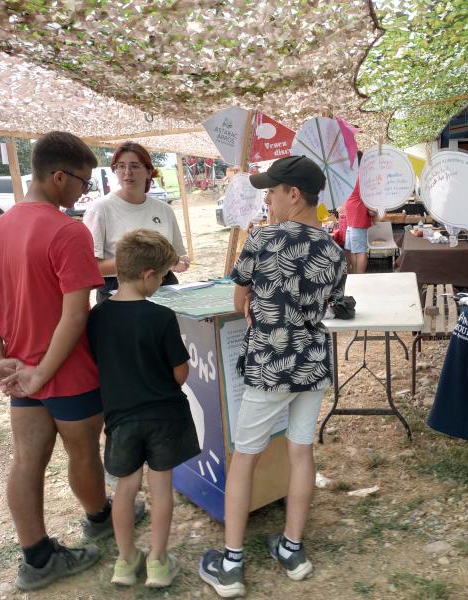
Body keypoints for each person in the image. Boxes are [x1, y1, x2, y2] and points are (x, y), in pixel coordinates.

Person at [0, 131, 142, 592]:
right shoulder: (68, 231)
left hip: (20, 369)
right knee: (83, 450)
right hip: (65, 371)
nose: (84, 191)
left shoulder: (3, 225)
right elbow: (74, 314)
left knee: (27, 460)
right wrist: (44, 373)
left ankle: (37, 558)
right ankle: (99, 517)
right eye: (83, 182)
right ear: (59, 176)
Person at [198, 155, 346, 598]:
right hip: (313, 363)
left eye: (272, 191)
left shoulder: (262, 240)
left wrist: (256, 309)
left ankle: (230, 563)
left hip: (270, 365)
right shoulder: (336, 250)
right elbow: (331, 303)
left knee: (246, 457)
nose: (268, 198)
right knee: (301, 452)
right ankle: (292, 550)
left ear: (293, 195)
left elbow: (239, 294)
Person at [87, 229, 199, 588]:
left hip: (120, 417)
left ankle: (125, 560)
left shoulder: (97, 317)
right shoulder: (161, 317)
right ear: (149, 275)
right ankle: (158, 562)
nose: (163, 282)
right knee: (161, 486)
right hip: (165, 416)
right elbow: (179, 372)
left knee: (126, 486)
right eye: (163, 275)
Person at [84, 142, 189, 303]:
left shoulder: (164, 210)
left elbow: (175, 256)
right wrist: (143, 262)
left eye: (134, 166)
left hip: (163, 288)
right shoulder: (100, 209)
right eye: (120, 166)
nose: (127, 172)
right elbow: (90, 267)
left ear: (148, 172)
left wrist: (176, 262)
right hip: (118, 292)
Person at [343, 151, 375, 274]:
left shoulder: (361, 176)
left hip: (358, 217)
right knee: (351, 249)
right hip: (352, 218)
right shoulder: (354, 175)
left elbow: (367, 198)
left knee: (360, 250)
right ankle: (355, 275)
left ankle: (360, 277)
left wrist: (372, 211)